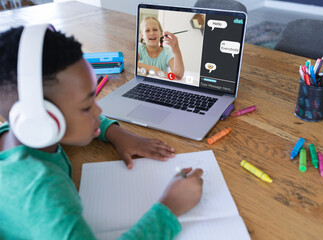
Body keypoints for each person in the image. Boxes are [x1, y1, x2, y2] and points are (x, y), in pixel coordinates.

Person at [0, 26, 203, 239]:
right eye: (87, 107)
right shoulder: (42, 195)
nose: (99, 110)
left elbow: (73, 115)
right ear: (43, 120)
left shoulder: (17, 134)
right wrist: (170, 207)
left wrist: (115, 133)